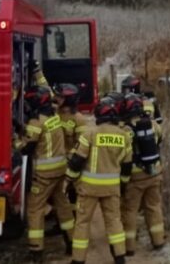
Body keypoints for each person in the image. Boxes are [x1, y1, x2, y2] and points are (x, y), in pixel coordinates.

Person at [65, 96, 133, 264]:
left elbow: (77, 161)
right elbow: (127, 165)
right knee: (114, 222)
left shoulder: (90, 133)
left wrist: (69, 180)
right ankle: (119, 257)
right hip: (112, 188)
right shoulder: (124, 136)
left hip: (89, 188)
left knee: (82, 223)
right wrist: (123, 184)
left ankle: (78, 260)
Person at [19, 85, 75, 260]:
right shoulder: (54, 116)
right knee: (63, 207)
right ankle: (72, 243)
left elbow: (26, 148)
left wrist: (14, 142)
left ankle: (36, 251)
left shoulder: (37, 122)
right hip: (59, 171)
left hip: (44, 175)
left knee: (35, 210)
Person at [118, 92, 166, 254]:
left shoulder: (124, 130)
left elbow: (121, 155)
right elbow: (159, 140)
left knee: (129, 210)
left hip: (135, 177)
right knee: (154, 207)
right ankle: (158, 241)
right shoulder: (153, 124)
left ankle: (129, 247)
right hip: (154, 172)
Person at [55, 83, 93, 155]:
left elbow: (81, 144)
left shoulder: (79, 119)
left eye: (60, 97)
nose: (57, 98)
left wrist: (71, 157)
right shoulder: (53, 113)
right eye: (57, 96)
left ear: (69, 99)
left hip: (66, 161)